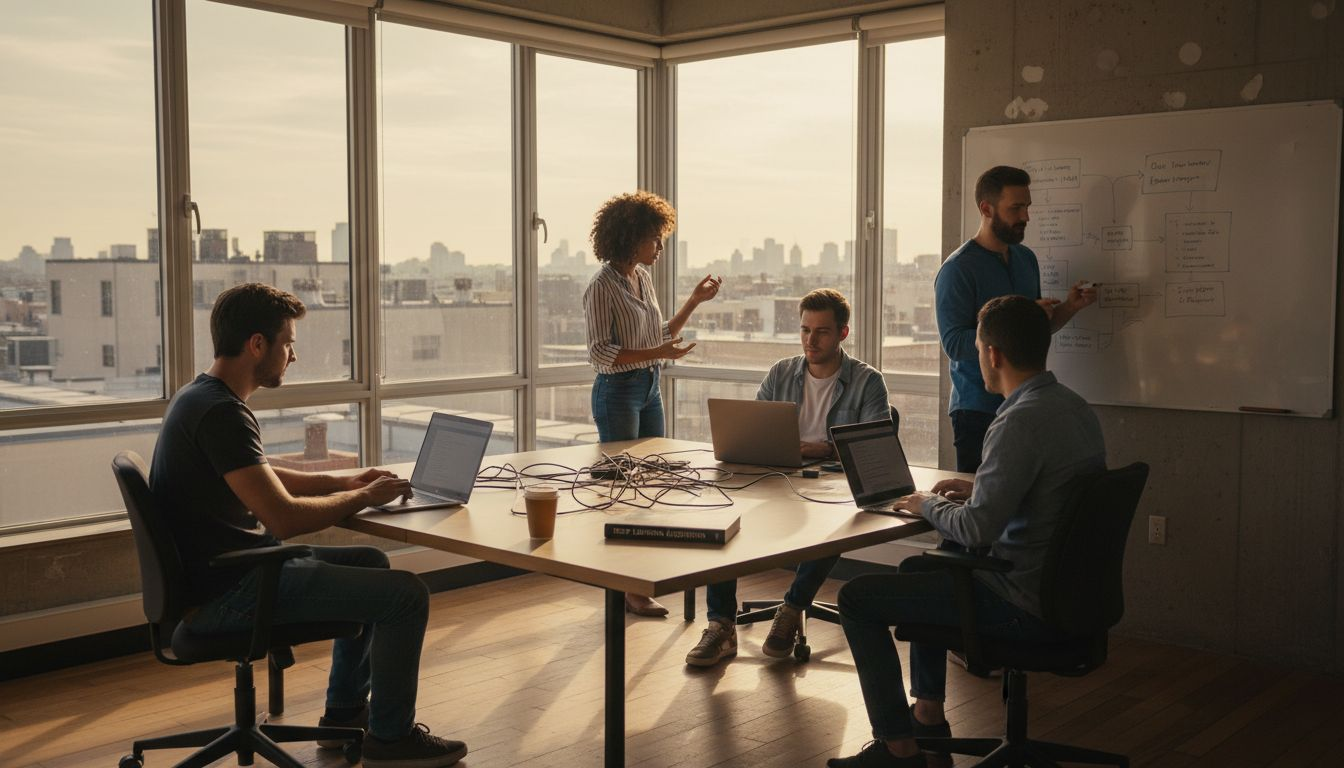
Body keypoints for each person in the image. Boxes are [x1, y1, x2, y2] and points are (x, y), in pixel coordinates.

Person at [150, 283, 467, 768]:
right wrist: (362, 496)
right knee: (407, 595)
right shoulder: (222, 413)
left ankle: (342, 718)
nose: (292, 355)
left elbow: (262, 474)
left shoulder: (200, 396)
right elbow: (283, 517)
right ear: (258, 344)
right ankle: (391, 740)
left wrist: (344, 478)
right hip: (230, 592)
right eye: (288, 343)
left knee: (372, 562)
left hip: (220, 576)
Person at [827, 295, 1106, 768]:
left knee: (856, 598)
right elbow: (1043, 491)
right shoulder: (1074, 408)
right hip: (1073, 595)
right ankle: (929, 717)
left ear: (993, 354)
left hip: (1021, 602)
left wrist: (926, 502)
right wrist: (975, 485)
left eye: (977, 348)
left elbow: (978, 529)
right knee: (921, 567)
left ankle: (898, 749)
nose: (978, 357)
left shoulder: (1017, 420)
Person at [685, 289, 890, 667]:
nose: (811, 341)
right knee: (722, 512)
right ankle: (721, 625)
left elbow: (872, 448)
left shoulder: (867, 382)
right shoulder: (781, 372)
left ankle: (793, 607)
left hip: (833, 483)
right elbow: (755, 431)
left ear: (843, 333)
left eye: (822, 332)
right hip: (778, 476)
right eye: (805, 330)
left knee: (837, 526)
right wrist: (800, 449)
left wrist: (820, 449)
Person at [584, 191, 721, 618]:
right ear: (632, 238)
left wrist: (694, 302)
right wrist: (658, 352)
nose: (660, 247)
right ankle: (626, 585)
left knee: (653, 480)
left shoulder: (641, 278)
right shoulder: (600, 287)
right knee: (622, 490)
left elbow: (657, 334)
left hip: (648, 386)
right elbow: (601, 354)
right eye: (655, 239)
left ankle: (641, 579)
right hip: (618, 391)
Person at [935, 165, 1098, 473]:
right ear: (986, 208)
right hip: (978, 410)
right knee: (979, 509)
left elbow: (1031, 333)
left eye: (1027, 206)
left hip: (1028, 405)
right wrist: (1010, 326)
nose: (1025, 216)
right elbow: (954, 344)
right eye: (1016, 208)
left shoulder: (1026, 259)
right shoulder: (958, 269)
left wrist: (1069, 307)